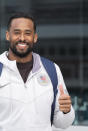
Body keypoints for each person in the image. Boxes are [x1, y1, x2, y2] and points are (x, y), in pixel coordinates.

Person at [0, 12, 75, 131]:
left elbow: (62, 124)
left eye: (28, 33)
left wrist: (67, 111)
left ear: (35, 37)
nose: (22, 38)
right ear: (8, 35)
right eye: (17, 33)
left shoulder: (52, 70)